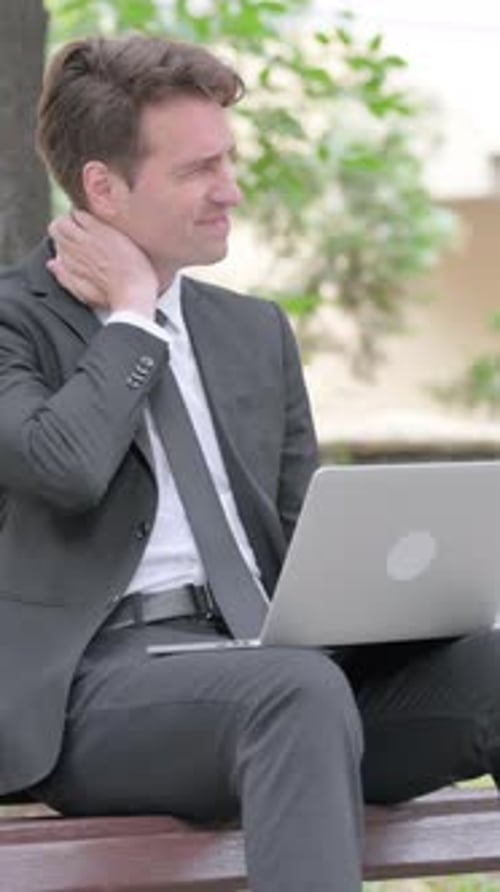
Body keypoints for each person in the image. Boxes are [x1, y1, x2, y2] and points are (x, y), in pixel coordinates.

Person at [0, 33, 499, 892]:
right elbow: (66, 465)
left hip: (281, 672)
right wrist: (131, 314)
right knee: (292, 692)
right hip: (95, 698)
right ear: (102, 188)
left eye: (228, 160)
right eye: (198, 170)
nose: (230, 189)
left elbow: (308, 539)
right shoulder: (15, 322)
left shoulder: (253, 331)